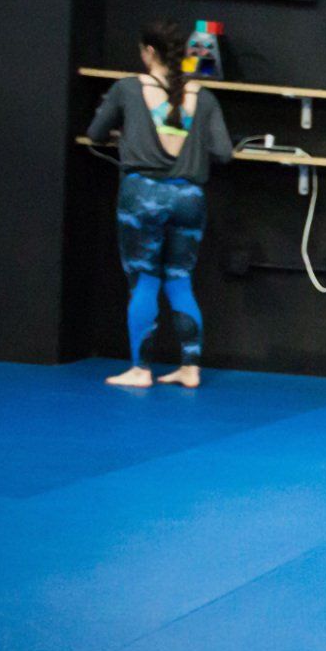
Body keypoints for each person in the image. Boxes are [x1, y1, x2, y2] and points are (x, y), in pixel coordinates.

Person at [85, 20, 233, 389]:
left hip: (142, 197)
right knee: (180, 279)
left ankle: (140, 369)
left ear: (149, 52)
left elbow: (95, 134)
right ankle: (190, 368)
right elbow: (223, 152)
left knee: (145, 279)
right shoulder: (204, 96)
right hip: (189, 199)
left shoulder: (127, 89)